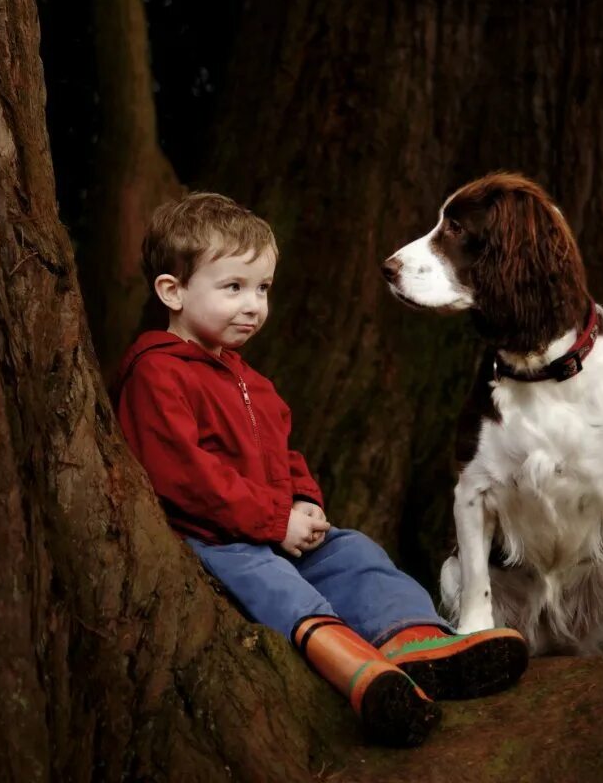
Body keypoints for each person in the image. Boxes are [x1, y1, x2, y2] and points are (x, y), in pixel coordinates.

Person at [115, 192, 528, 747]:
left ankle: (420, 642)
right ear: (173, 291)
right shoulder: (157, 374)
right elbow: (184, 477)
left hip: (271, 527)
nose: (253, 305)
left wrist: (303, 501)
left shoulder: (248, 379)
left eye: (262, 289)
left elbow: (283, 451)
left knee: (355, 553)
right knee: (278, 587)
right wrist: (271, 520)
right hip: (214, 539)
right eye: (233, 287)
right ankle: (363, 677)